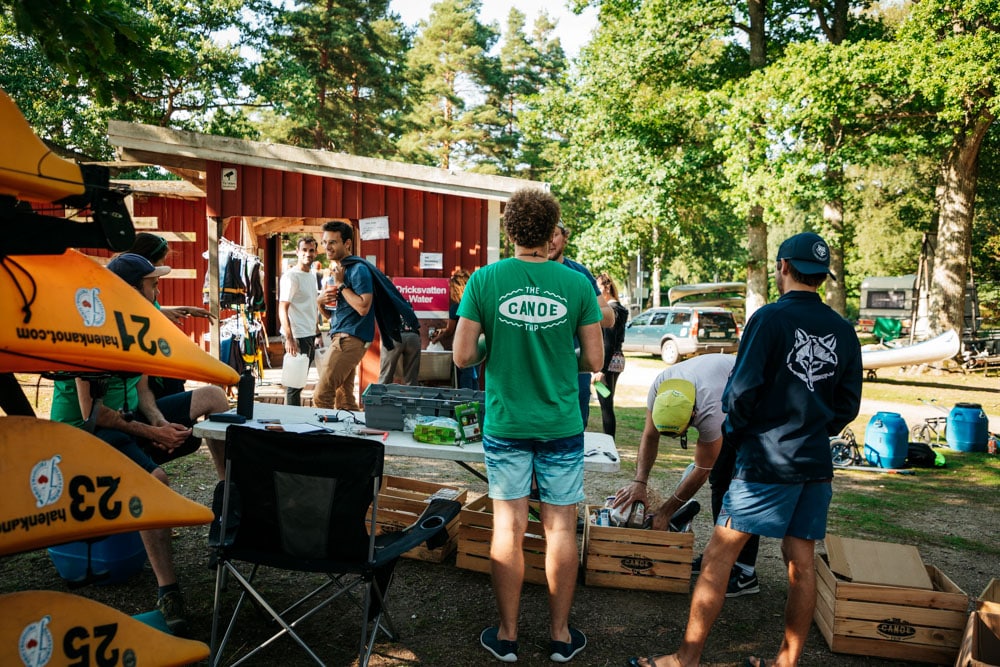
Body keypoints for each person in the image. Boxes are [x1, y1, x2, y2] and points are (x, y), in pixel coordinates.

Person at [628, 232, 862, 667]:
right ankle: (786, 663)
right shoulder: (843, 329)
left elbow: (740, 394)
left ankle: (685, 658)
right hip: (814, 461)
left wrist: (744, 433)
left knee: (718, 558)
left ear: (783, 268)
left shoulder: (768, 319)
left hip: (765, 461)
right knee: (801, 564)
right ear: (821, 276)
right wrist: (810, 428)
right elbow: (847, 406)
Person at [454, 188, 603, 664]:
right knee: (561, 529)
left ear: (512, 230)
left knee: (509, 527)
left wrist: (492, 349)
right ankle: (560, 636)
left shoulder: (485, 279)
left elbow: (461, 355)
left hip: (507, 422)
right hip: (561, 421)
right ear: (551, 230)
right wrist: (559, 352)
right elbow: (595, 359)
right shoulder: (577, 284)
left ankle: (508, 634)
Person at [50, 253, 232, 636]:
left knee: (214, 397)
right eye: (152, 282)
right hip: (84, 433)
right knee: (157, 482)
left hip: (130, 419)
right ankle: (169, 592)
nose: (158, 288)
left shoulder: (137, 321)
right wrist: (154, 435)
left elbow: (143, 387)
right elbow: (93, 413)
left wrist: (160, 421)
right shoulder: (90, 329)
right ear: (131, 290)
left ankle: (228, 505)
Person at [611, 353, 762, 597]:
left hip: (755, 403)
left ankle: (745, 572)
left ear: (693, 415)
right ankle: (723, 555)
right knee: (720, 482)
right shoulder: (660, 386)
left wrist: (666, 512)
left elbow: (702, 469)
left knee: (737, 484)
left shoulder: (712, 411)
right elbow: (649, 437)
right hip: (719, 383)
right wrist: (639, 482)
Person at [129, 232, 215, 399]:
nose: (158, 290)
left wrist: (184, 309)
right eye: (161, 262)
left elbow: (149, 310)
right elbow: (136, 314)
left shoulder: (146, 287)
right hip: (149, 361)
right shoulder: (136, 285)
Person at [547, 219, 614, 425]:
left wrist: (576, 313)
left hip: (574, 373)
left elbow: (609, 316)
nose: (549, 241)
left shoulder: (579, 274)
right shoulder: (524, 271)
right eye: (545, 235)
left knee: (574, 431)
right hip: (537, 375)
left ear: (565, 238)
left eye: (555, 234)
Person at [312, 221, 374, 411]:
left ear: (347, 244)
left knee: (321, 396)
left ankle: (322, 437)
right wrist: (320, 303)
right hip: (340, 336)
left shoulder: (358, 270)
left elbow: (363, 307)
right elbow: (331, 317)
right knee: (345, 401)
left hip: (349, 340)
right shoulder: (335, 272)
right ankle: (351, 439)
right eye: (324, 242)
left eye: (333, 242)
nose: (327, 247)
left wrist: (341, 285)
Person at [278, 235, 321, 405]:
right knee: (294, 384)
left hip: (309, 334)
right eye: (304, 250)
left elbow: (311, 306)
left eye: (311, 250)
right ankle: (291, 421)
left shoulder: (311, 275)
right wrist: (289, 338)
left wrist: (317, 333)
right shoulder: (291, 277)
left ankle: (293, 416)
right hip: (296, 336)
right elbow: (283, 308)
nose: (307, 254)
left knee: (301, 380)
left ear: (316, 253)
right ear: (297, 251)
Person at [592, 273, 629, 437]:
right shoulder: (620, 308)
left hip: (609, 361)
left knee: (605, 404)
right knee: (607, 401)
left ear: (606, 288)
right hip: (618, 359)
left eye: (598, 288)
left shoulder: (612, 310)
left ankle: (609, 441)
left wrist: (602, 370)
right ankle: (609, 440)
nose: (596, 294)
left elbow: (608, 342)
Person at [428, 269, 477, 389]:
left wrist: (436, 338)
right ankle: (477, 405)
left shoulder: (456, 308)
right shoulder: (477, 304)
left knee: (464, 381)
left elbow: (450, 331)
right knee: (474, 379)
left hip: (463, 347)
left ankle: (466, 405)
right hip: (477, 346)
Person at [378, 312, 421, 385]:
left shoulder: (385, 300)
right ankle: (411, 394)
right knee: (411, 379)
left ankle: (381, 395)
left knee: (385, 376)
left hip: (394, 335)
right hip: (413, 336)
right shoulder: (405, 302)